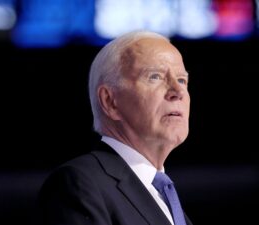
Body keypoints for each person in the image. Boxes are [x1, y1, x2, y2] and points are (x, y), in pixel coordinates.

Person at [39, 30, 192, 225]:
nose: (178, 92)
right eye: (155, 77)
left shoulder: (164, 195)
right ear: (110, 101)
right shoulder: (79, 183)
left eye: (182, 80)